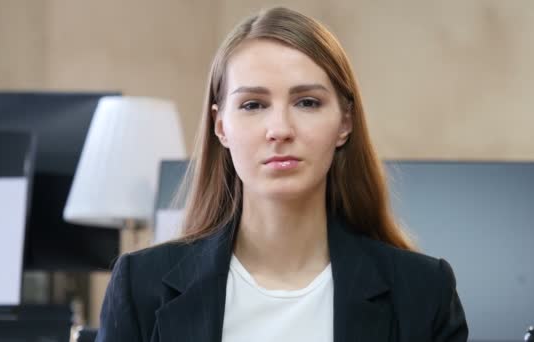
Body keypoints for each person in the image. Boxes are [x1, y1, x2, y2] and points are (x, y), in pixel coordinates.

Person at [96, 7, 468, 342]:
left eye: (307, 102)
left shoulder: (423, 292)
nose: (280, 129)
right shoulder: (140, 285)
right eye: (253, 104)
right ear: (220, 126)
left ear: (344, 122)